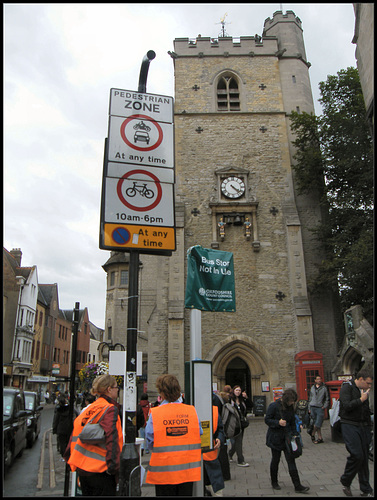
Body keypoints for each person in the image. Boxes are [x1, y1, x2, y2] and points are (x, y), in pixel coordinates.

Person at [64, 375, 123, 496]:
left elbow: (73, 435)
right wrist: (114, 468)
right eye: (116, 387)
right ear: (109, 389)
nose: (118, 390)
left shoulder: (89, 409)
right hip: (101, 471)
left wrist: (70, 459)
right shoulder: (109, 409)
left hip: (83, 469)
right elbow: (112, 438)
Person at [145, 374, 202, 496]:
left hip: (164, 471)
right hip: (187, 470)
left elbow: (150, 439)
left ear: (162, 393)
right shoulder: (191, 411)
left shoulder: (155, 413)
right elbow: (199, 432)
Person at [265, 388, 309, 493]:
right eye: (291, 401)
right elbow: (267, 419)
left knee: (291, 460)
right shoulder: (274, 406)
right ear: (285, 399)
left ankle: (297, 485)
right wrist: (278, 423)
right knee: (275, 460)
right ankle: (274, 482)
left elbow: (293, 421)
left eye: (293, 401)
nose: (292, 403)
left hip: (287, 438)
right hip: (275, 437)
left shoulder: (290, 407)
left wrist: (295, 434)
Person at [339, 366, 373, 497]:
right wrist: (361, 399)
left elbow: (365, 411)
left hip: (363, 426)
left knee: (364, 458)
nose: (369, 386)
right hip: (349, 424)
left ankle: (366, 489)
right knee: (357, 455)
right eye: (368, 383)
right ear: (360, 379)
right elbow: (346, 406)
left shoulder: (363, 390)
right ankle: (346, 480)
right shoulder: (347, 387)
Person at [203, 400, 225, 497]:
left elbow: (220, 429)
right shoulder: (188, 409)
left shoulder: (214, 410)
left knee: (215, 487)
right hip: (193, 456)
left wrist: (219, 438)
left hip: (210, 453)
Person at [228, 385, 249, 467]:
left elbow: (251, 405)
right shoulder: (230, 400)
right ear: (233, 391)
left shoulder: (242, 400)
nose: (238, 392)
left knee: (238, 441)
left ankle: (230, 454)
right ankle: (240, 460)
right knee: (237, 442)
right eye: (237, 390)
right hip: (233, 424)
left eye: (239, 390)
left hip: (241, 424)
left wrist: (246, 398)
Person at [308, 375, 329, 444]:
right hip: (312, 406)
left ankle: (312, 433)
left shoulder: (324, 388)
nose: (319, 380)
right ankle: (320, 438)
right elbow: (310, 398)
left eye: (320, 379)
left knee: (318, 423)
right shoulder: (312, 388)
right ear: (315, 380)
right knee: (315, 422)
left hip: (320, 407)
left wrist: (324, 406)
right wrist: (309, 407)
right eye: (318, 379)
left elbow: (327, 398)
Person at [53, 395, 74, 460]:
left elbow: (56, 420)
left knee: (62, 444)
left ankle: (64, 456)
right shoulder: (70, 409)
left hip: (61, 429)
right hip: (68, 429)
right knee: (68, 443)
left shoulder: (59, 410)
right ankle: (67, 456)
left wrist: (54, 429)